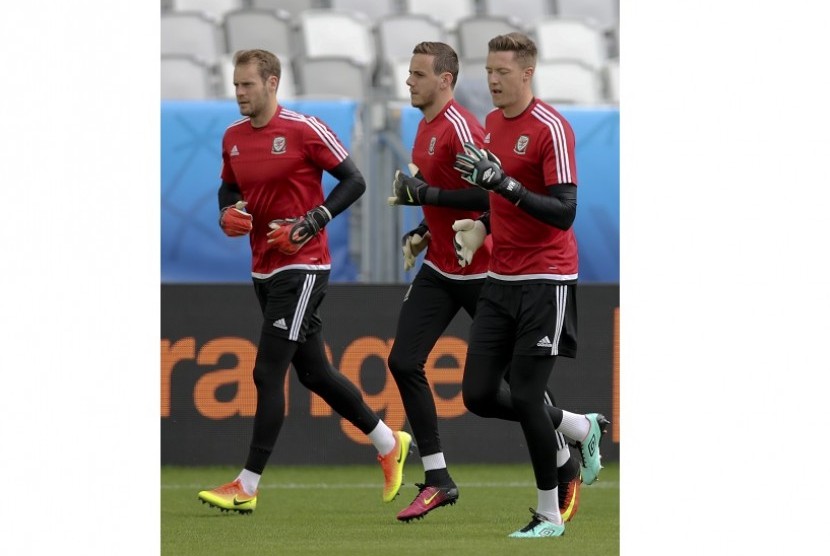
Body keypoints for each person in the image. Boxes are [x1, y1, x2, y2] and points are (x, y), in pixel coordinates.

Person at [197, 49, 411, 514]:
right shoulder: (233, 137)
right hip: (263, 267)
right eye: (235, 85)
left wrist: (313, 221)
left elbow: (354, 181)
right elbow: (229, 186)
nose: (239, 93)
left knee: (266, 372)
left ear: (272, 83)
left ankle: (247, 486)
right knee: (314, 372)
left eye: (247, 85)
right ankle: (387, 441)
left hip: (304, 266)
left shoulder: (304, 129)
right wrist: (227, 212)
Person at [386, 42, 584, 524]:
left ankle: (563, 465)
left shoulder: (477, 126)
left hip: (502, 271)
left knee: (522, 387)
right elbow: (485, 197)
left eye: (418, 74)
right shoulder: (472, 125)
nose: (409, 81)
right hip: (455, 261)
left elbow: (496, 190)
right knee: (419, 367)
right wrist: (425, 230)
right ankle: (439, 479)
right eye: (489, 70)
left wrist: (438, 199)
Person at [450, 33, 609, 538]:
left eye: (502, 72)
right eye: (488, 71)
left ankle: (548, 514)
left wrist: (505, 186)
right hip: (500, 278)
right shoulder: (493, 124)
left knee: (524, 395)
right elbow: (498, 196)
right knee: (476, 394)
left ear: (527, 73)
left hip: (546, 278)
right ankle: (578, 428)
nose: (492, 80)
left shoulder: (551, 129)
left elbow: (564, 212)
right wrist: (481, 224)